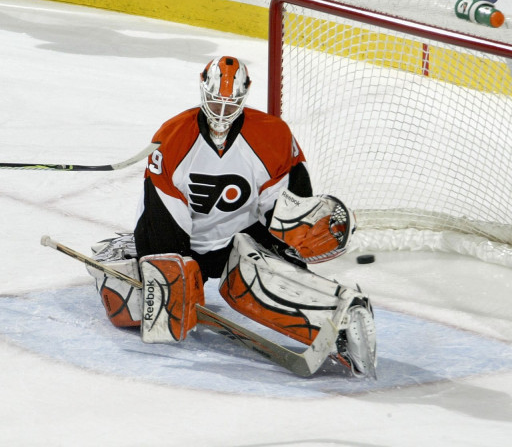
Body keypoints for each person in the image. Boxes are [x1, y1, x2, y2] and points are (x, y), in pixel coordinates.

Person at [88, 56, 377, 378]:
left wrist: (290, 254)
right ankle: (123, 253)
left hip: (240, 239)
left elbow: (286, 207)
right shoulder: (173, 135)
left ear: (245, 94)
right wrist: (166, 264)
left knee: (263, 283)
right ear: (202, 89)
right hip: (184, 240)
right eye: (215, 101)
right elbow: (161, 208)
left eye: (231, 103)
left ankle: (340, 320)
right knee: (134, 306)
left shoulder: (273, 134)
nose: (222, 112)